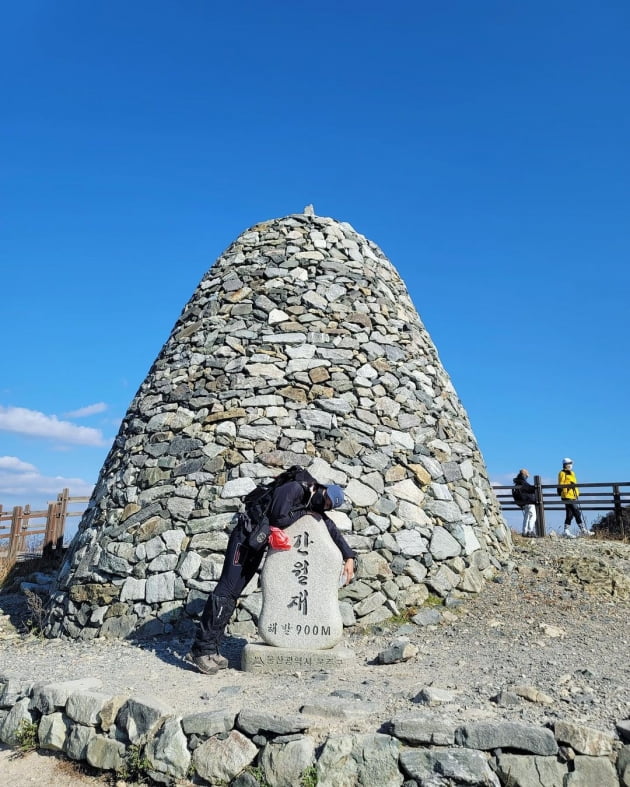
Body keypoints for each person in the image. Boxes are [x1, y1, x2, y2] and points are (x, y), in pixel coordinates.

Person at [188, 469, 356, 675]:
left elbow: (329, 527)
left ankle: (211, 648)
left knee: (233, 593)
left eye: (329, 506)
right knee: (226, 589)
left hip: (256, 544)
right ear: (322, 489)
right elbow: (279, 518)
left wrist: (349, 556)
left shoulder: (311, 501)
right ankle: (200, 649)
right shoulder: (295, 489)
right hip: (244, 538)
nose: (324, 505)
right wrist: (305, 513)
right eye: (326, 499)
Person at [557, 457, 591, 538]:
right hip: (566, 495)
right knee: (576, 511)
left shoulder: (572, 473)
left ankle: (566, 531)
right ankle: (583, 530)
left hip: (573, 495)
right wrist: (568, 485)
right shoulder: (562, 473)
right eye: (570, 464)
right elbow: (561, 484)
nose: (571, 465)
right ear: (566, 464)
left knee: (570, 513)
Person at [512, 469, 537, 537]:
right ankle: (530, 531)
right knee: (533, 516)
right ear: (524, 475)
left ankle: (524, 531)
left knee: (526, 516)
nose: (527, 477)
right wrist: (536, 487)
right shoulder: (523, 482)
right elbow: (530, 489)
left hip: (522, 503)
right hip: (528, 501)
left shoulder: (517, 482)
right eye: (527, 475)